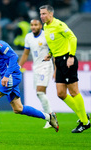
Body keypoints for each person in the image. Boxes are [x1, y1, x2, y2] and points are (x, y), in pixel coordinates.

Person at [0, 19, 59, 143]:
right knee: (18, 109)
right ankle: (49, 117)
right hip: (7, 77)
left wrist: (6, 76)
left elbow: (14, 56)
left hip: (12, 76)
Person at [40, 5, 90, 133]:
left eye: (44, 14)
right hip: (58, 61)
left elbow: (73, 38)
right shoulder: (46, 26)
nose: (42, 16)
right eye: (41, 14)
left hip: (67, 60)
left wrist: (71, 56)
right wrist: (50, 54)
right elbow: (55, 43)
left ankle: (84, 121)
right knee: (61, 94)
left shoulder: (59, 24)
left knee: (74, 91)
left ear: (51, 14)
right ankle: (83, 115)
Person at [19, 19, 54, 129]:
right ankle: (50, 117)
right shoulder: (28, 37)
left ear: (41, 26)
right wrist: (19, 66)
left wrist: (56, 70)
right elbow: (25, 53)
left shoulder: (46, 35)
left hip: (46, 66)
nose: (33, 27)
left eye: (36, 25)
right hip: (36, 67)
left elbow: (54, 52)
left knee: (39, 92)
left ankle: (51, 117)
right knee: (41, 93)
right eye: (32, 25)